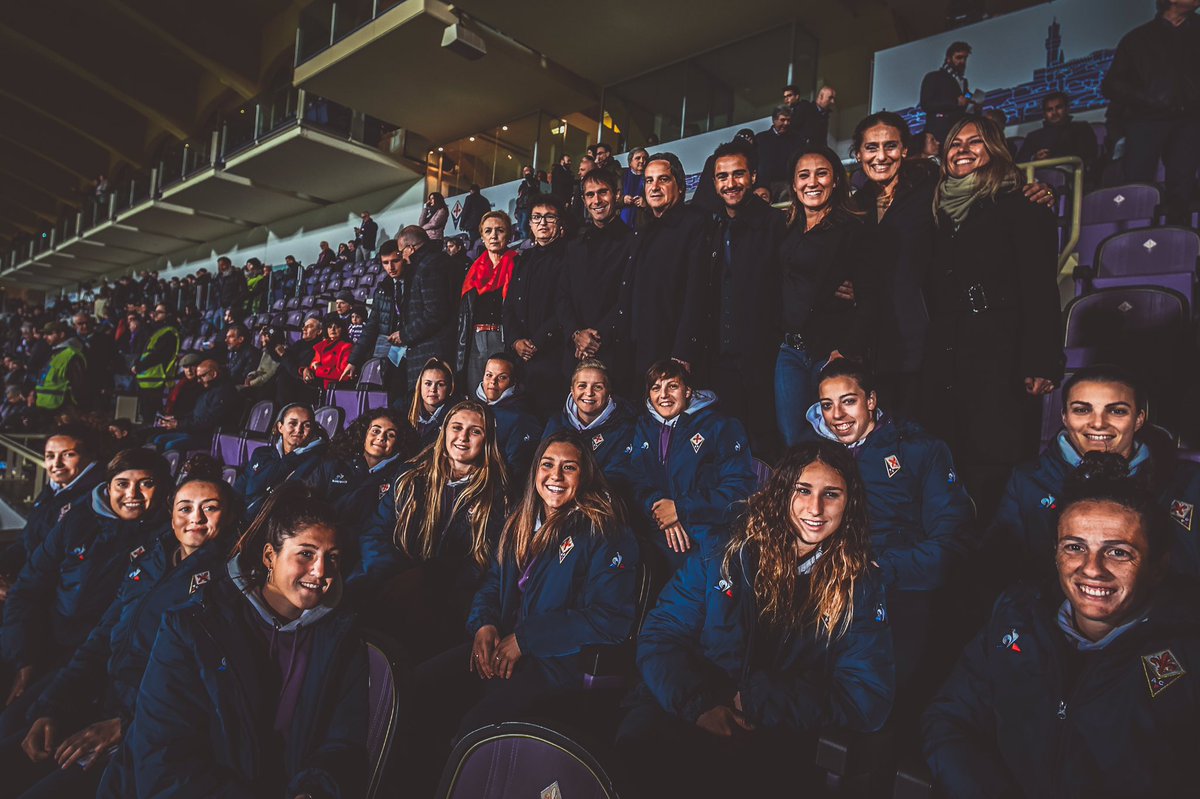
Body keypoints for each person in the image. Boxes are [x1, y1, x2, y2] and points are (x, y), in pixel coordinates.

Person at [617, 441, 894, 799]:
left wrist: (757, 700)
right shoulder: (727, 548)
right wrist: (698, 706)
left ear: (849, 503)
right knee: (639, 752)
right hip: (686, 708)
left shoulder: (860, 585)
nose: (815, 508)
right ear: (782, 492)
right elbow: (661, 634)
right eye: (803, 490)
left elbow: (866, 697)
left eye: (832, 495)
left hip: (773, 731)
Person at [923, 453, 1200, 797]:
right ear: (1055, 553)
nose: (1092, 568)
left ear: (1158, 567)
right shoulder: (1016, 617)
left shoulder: (1189, 653)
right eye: (1075, 547)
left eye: (1118, 552)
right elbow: (950, 721)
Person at [410, 431, 638, 790]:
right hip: (501, 643)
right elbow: (492, 581)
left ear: (585, 475)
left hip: (556, 663)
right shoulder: (521, 519)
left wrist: (526, 640)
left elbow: (610, 619)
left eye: (569, 468)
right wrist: (483, 624)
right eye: (547, 465)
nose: (556, 476)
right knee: (419, 687)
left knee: (474, 729)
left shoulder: (604, 529)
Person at [122, 483, 368, 797]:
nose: (320, 571)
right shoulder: (193, 626)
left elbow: (342, 742)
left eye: (332, 558)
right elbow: (164, 757)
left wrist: (314, 789)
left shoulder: (340, 638)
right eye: (306, 554)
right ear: (269, 556)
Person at [3, 471, 237, 798]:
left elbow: (202, 689)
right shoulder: (151, 560)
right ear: (171, 517)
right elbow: (100, 639)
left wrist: (125, 725)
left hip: (143, 729)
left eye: (209, 508)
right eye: (185, 508)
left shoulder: (227, 583)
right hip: (100, 699)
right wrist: (52, 706)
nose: (195, 518)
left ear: (229, 516)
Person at [850, 111, 1057, 417]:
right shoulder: (854, 205)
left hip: (926, 341)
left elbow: (983, 189)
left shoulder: (930, 189)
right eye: (871, 148)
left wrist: (1041, 191)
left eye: (890, 146)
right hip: (875, 344)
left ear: (905, 150)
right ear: (857, 154)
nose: (881, 156)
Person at [920, 117, 1062, 516]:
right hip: (946, 349)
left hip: (1000, 351)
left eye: (975, 142)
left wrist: (1041, 360)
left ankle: (994, 563)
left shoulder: (1023, 206)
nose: (962, 149)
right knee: (947, 461)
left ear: (996, 149)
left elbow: (1040, 288)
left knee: (995, 462)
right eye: (954, 143)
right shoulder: (936, 214)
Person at [808, 360, 974, 694]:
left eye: (848, 401)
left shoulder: (919, 450)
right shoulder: (815, 455)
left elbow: (953, 539)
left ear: (871, 401)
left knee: (881, 689)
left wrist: (881, 569)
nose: (837, 415)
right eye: (827, 405)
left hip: (894, 581)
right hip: (822, 578)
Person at [1, 449, 172, 731]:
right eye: (123, 484)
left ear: (162, 487)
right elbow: (29, 586)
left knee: (11, 726)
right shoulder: (78, 520)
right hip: (40, 638)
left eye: (146, 483)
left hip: (86, 657)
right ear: (108, 486)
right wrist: (23, 656)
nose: (133, 493)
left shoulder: (164, 540)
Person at [989, 365, 1200, 583]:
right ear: (1064, 417)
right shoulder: (1029, 481)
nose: (1098, 423)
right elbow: (1001, 568)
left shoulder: (1187, 482)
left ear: (1138, 419)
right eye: (1082, 410)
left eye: (1117, 411)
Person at [355, 400, 507, 657]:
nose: (463, 437)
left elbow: (491, 564)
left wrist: (433, 583)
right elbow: (376, 532)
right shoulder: (411, 477)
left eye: (475, 431)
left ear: (487, 439)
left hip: (450, 601)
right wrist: (395, 575)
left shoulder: (498, 496)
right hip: (392, 580)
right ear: (444, 431)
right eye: (456, 427)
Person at [774, 144, 881, 447]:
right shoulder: (786, 229)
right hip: (789, 352)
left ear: (835, 180)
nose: (812, 182)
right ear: (794, 184)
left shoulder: (853, 229)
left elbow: (871, 297)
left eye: (821, 174)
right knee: (793, 438)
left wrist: (845, 350)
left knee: (835, 440)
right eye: (803, 176)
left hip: (831, 352)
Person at [623, 360, 756, 572]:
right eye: (656, 388)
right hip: (657, 529)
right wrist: (660, 508)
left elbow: (740, 491)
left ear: (688, 391)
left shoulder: (719, 426)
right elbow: (635, 481)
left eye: (672, 386)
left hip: (707, 532)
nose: (664, 395)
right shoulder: (643, 427)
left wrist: (681, 509)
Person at [708, 140, 787, 457]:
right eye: (722, 176)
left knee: (766, 443)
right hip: (721, 358)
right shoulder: (713, 226)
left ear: (753, 176)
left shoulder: (775, 224)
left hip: (763, 357)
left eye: (738, 174)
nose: (730, 183)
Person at [1101, 0, 1200, 225]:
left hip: (1189, 120)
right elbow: (1111, 84)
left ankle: (1177, 242)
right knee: (1138, 187)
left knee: (1182, 189)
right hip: (1145, 120)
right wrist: (1147, 99)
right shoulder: (1137, 39)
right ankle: (1135, 239)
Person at [620, 153, 714, 380]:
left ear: (680, 187)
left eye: (663, 179)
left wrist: (683, 350)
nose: (654, 187)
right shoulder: (643, 231)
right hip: (639, 347)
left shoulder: (696, 223)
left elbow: (697, 291)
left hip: (673, 352)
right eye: (649, 180)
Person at [0, 426, 102, 601]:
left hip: (42, 597)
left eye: (68, 455)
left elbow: (65, 568)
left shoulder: (93, 501)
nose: (57, 464)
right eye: (50, 456)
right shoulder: (53, 491)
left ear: (89, 456)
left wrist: (17, 590)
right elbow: (25, 541)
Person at [557, 168, 634, 383]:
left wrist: (594, 338)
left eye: (603, 192)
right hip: (575, 355)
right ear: (583, 200)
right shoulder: (574, 246)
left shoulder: (634, 242)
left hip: (615, 356)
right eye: (590, 195)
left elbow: (628, 299)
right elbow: (563, 297)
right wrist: (576, 335)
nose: (597, 200)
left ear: (616, 195)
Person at [307, 408, 418, 537]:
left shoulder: (400, 477)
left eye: (391, 435)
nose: (381, 437)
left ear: (398, 442)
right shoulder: (334, 464)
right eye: (375, 431)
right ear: (363, 434)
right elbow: (307, 500)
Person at [503, 195, 567, 418]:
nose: (542, 222)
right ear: (529, 224)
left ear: (559, 223)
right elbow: (509, 305)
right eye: (537, 217)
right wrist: (515, 340)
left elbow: (566, 305)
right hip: (520, 357)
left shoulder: (569, 256)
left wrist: (537, 342)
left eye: (549, 217)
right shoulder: (522, 260)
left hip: (552, 356)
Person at [542, 359, 636, 481]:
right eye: (582, 386)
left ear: (608, 392)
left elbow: (617, 477)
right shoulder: (556, 423)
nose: (589, 393)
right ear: (572, 390)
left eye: (597, 387)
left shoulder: (625, 428)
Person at [458, 211, 516, 390]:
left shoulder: (519, 264)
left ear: (509, 235)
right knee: (476, 392)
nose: (494, 236)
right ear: (482, 236)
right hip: (476, 339)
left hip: (505, 337)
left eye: (500, 230)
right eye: (488, 231)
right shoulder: (472, 270)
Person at [236, 403, 328, 516]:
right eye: (293, 423)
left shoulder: (318, 463)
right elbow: (238, 489)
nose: (298, 429)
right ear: (280, 427)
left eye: (306, 425)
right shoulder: (261, 454)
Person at [473, 353, 543, 485]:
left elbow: (518, 468)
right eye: (489, 375)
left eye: (502, 377)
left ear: (513, 382)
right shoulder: (471, 408)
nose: (493, 382)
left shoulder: (521, 417)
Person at [147, 359, 239, 452]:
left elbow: (210, 421)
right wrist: (175, 418)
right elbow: (196, 414)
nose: (199, 381)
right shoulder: (208, 390)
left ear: (213, 374)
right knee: (158, 440)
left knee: (171, 445)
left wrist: (179, 424)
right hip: (195, 432)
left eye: (202, 376)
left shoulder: (224, 392)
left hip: (209, 436)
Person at [1015, 91, 1099, 170]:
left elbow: (1089, 156)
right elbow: (1020, 163)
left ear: (1067, 109)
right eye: (1049, 109)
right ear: (1044, 114)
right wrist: (1035, 158)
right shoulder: (1033, 137)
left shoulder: (1082, 128)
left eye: (1058, 107)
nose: (1054, 112)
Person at [919, 41, 976, 145]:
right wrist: (955, 102)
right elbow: (926, 104)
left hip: (958, 132)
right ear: (949, 58)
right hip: (939, 134)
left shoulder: (963, 81)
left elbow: (966, 94)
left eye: (965, 58)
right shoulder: (934, 77)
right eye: (958, 58)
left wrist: (970, 97)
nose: (962, 61)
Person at [131, 305, 179, 419]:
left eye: (160, 312)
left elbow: (157, 355)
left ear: (168, 315)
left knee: (151, 416)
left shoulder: (169, 333)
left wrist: (139, 366)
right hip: (147, 379)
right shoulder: (156, 330)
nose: (156, 314)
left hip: (156, 380)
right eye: (155, 311)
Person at [33, 322, 88, 417]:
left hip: (62, 410)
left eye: (49, 334)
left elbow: (78, 385)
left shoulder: (71, 355)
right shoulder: (55, 353)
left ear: (61, 334)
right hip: (47, 406)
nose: (45, 337)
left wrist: (75, 408)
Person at [406, 356, 458, 448]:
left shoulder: (456, 414)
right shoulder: (402, 407)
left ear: (449, 387)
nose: (433, 389)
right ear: (419, 385)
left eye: (440, 384)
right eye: (428, 384)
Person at [753, 106, 799, 200]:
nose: (786, 123)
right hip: (766, 185)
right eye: (782, 120)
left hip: (788, 184)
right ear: (774, 120)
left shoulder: (796, 140)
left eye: (788, 120)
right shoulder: (760, 139)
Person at [276, 315, 322, 408]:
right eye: (304, 326)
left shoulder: (317, 347)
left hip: (300, 388)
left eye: (309, 326)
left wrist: (284, 355)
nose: (304, 329)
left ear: (319, 331)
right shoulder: (299, 343)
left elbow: (297, 372)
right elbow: (283, 362)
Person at [305, 314, 353, 389]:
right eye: (330, 327)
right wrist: (306, 370)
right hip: (316, 384)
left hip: (333, 387)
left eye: (337, 327)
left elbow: (344, 375)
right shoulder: (321, 346)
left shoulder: (346, 347)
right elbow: (313, 365)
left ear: (342, 329)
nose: (333, 329)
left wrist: (319, 370)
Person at [241, 325, 285, 401]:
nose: (261, 338)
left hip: (266, 389)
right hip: (257, 384)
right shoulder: (266, 351)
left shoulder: (279, 353)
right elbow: (260, 370)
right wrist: (250, 376)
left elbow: (269, 375)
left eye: (264, 336)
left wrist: (251, 383)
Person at [619, 148, 648, 229]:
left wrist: (645, 204)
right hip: (620, 222)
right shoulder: (620, 176)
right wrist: (623, 199)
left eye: (644, 158)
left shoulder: (650, 177)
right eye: (638, 158)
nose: (642, 161)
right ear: (630, 162)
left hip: (641, 224)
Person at [514, 166, 539, 240]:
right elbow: (519, 197)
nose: (526, 172)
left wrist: (529, 177)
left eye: (527, 170)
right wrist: (516, 210)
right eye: (524, 171)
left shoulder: (534, 182)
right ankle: (521, 245)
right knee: (520, 229)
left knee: (524, 228)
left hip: (527, 208)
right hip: (520, 209)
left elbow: (533, 189)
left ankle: (525, 245)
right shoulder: (523, 184)